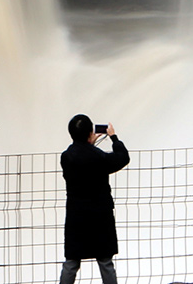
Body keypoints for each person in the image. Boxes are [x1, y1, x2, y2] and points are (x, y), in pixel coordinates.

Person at [59, 115, 131, 284]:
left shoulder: (66, 157)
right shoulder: (99, 157)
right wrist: (113, 137)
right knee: (105, 261)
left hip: (76, 216)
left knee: (72, 262)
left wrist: (87, 144)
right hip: (100, 215)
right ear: (90, 133)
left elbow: (80, 156)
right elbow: (123, 157)